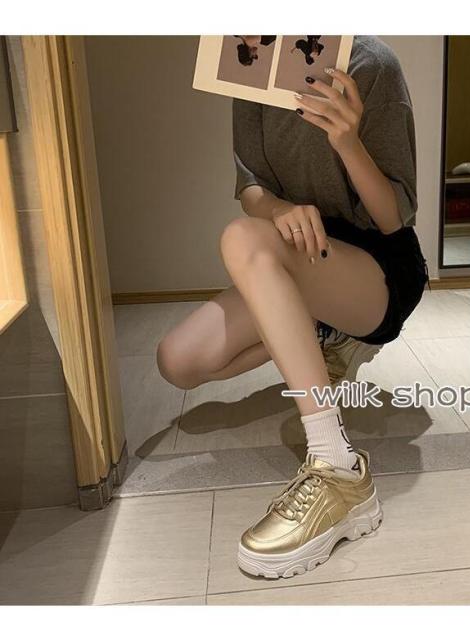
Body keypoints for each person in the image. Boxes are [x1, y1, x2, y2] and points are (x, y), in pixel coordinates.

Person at [157, 35, 428, 579]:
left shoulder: (371, 64)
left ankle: (337, 465)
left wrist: (347, 141)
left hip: (377, 267)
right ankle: (324, 333)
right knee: (178, 361)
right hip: (300, 254)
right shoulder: (250, 60)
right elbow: (252, 188)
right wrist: (280, 208)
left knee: (241, 240)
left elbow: (393, 217)